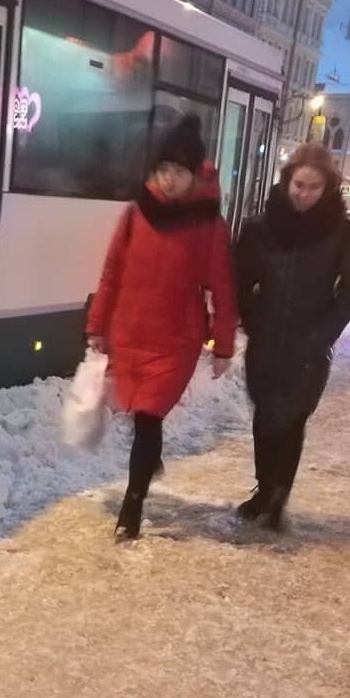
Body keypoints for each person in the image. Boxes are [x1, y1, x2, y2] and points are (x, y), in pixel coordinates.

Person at [87, 114, 238, 540]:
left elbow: (223, 290)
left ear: (196, 175)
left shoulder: (208, 224)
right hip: (129, 334)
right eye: (164, 170)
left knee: (149, 417)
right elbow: (112, 272)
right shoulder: (136, 214)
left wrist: (223, 345)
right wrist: (98, 326)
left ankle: (131, 506)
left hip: (176, 341)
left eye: (180, 172)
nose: (170, 180)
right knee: (140, 419)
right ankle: (147, 464)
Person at [234, 144, 350, 531]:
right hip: (266, 341)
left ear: (327, 188)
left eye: (313, 186)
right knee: (264, 415)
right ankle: (264, 487)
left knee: (292, 420)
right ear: (287, 180)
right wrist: (250, 318)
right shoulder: (261, 228)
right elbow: (239, 278)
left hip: (309, 346)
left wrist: (324, 333)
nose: (303, 192)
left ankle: (279, 495)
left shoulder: (342, 233)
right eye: (299, 183)